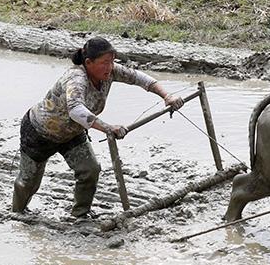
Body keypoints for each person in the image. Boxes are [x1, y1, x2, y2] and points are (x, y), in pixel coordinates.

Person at [12, 37, 184, 218]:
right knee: (28, 181)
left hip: (72, 133)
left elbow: (141, 79)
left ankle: (80, 214)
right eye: (104, 63)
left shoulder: (109, 72)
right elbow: (76, 110)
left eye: (111, 62)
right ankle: (17, 214)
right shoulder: (77, 78)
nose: (109, 67)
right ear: (88, 62)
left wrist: (167, 96)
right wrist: (108, 128)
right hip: (40, 132)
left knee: (90, 169)